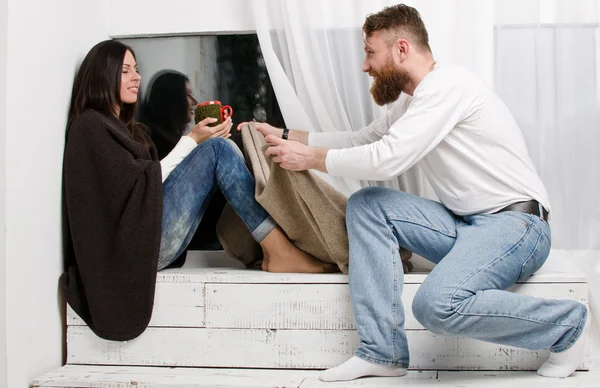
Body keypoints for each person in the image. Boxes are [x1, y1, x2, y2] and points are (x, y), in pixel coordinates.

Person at [238, 4, 588, 381]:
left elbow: (387, 159)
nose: (365, 66)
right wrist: (284, 135)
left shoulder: (448, 85)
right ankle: (381, 351)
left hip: (517, 226)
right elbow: (365, 139)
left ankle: (568, 326)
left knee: (436, 305)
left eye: (371, 52)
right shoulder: (414, 98)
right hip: (467, 225)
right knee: (369, 206)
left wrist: (310, 158)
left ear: (401, 49)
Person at [60, 40, 334, 342]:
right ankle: (279, 251)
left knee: (222, 149)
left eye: (136, 70)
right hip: (132, 250)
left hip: (147, 239)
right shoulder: (90, 128)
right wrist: (194, 141)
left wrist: (200, 145)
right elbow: (135, 188)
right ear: (102, 75)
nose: (136, 77)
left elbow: (152, 187)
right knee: (218, 150)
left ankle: (277, 247)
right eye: (125, 71)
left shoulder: (128, 130)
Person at [138, 70, 226, 260]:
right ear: (172, 99)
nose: (194, 101)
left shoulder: (170, 137)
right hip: (174, 236)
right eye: (187, 94)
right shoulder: (151, 139)